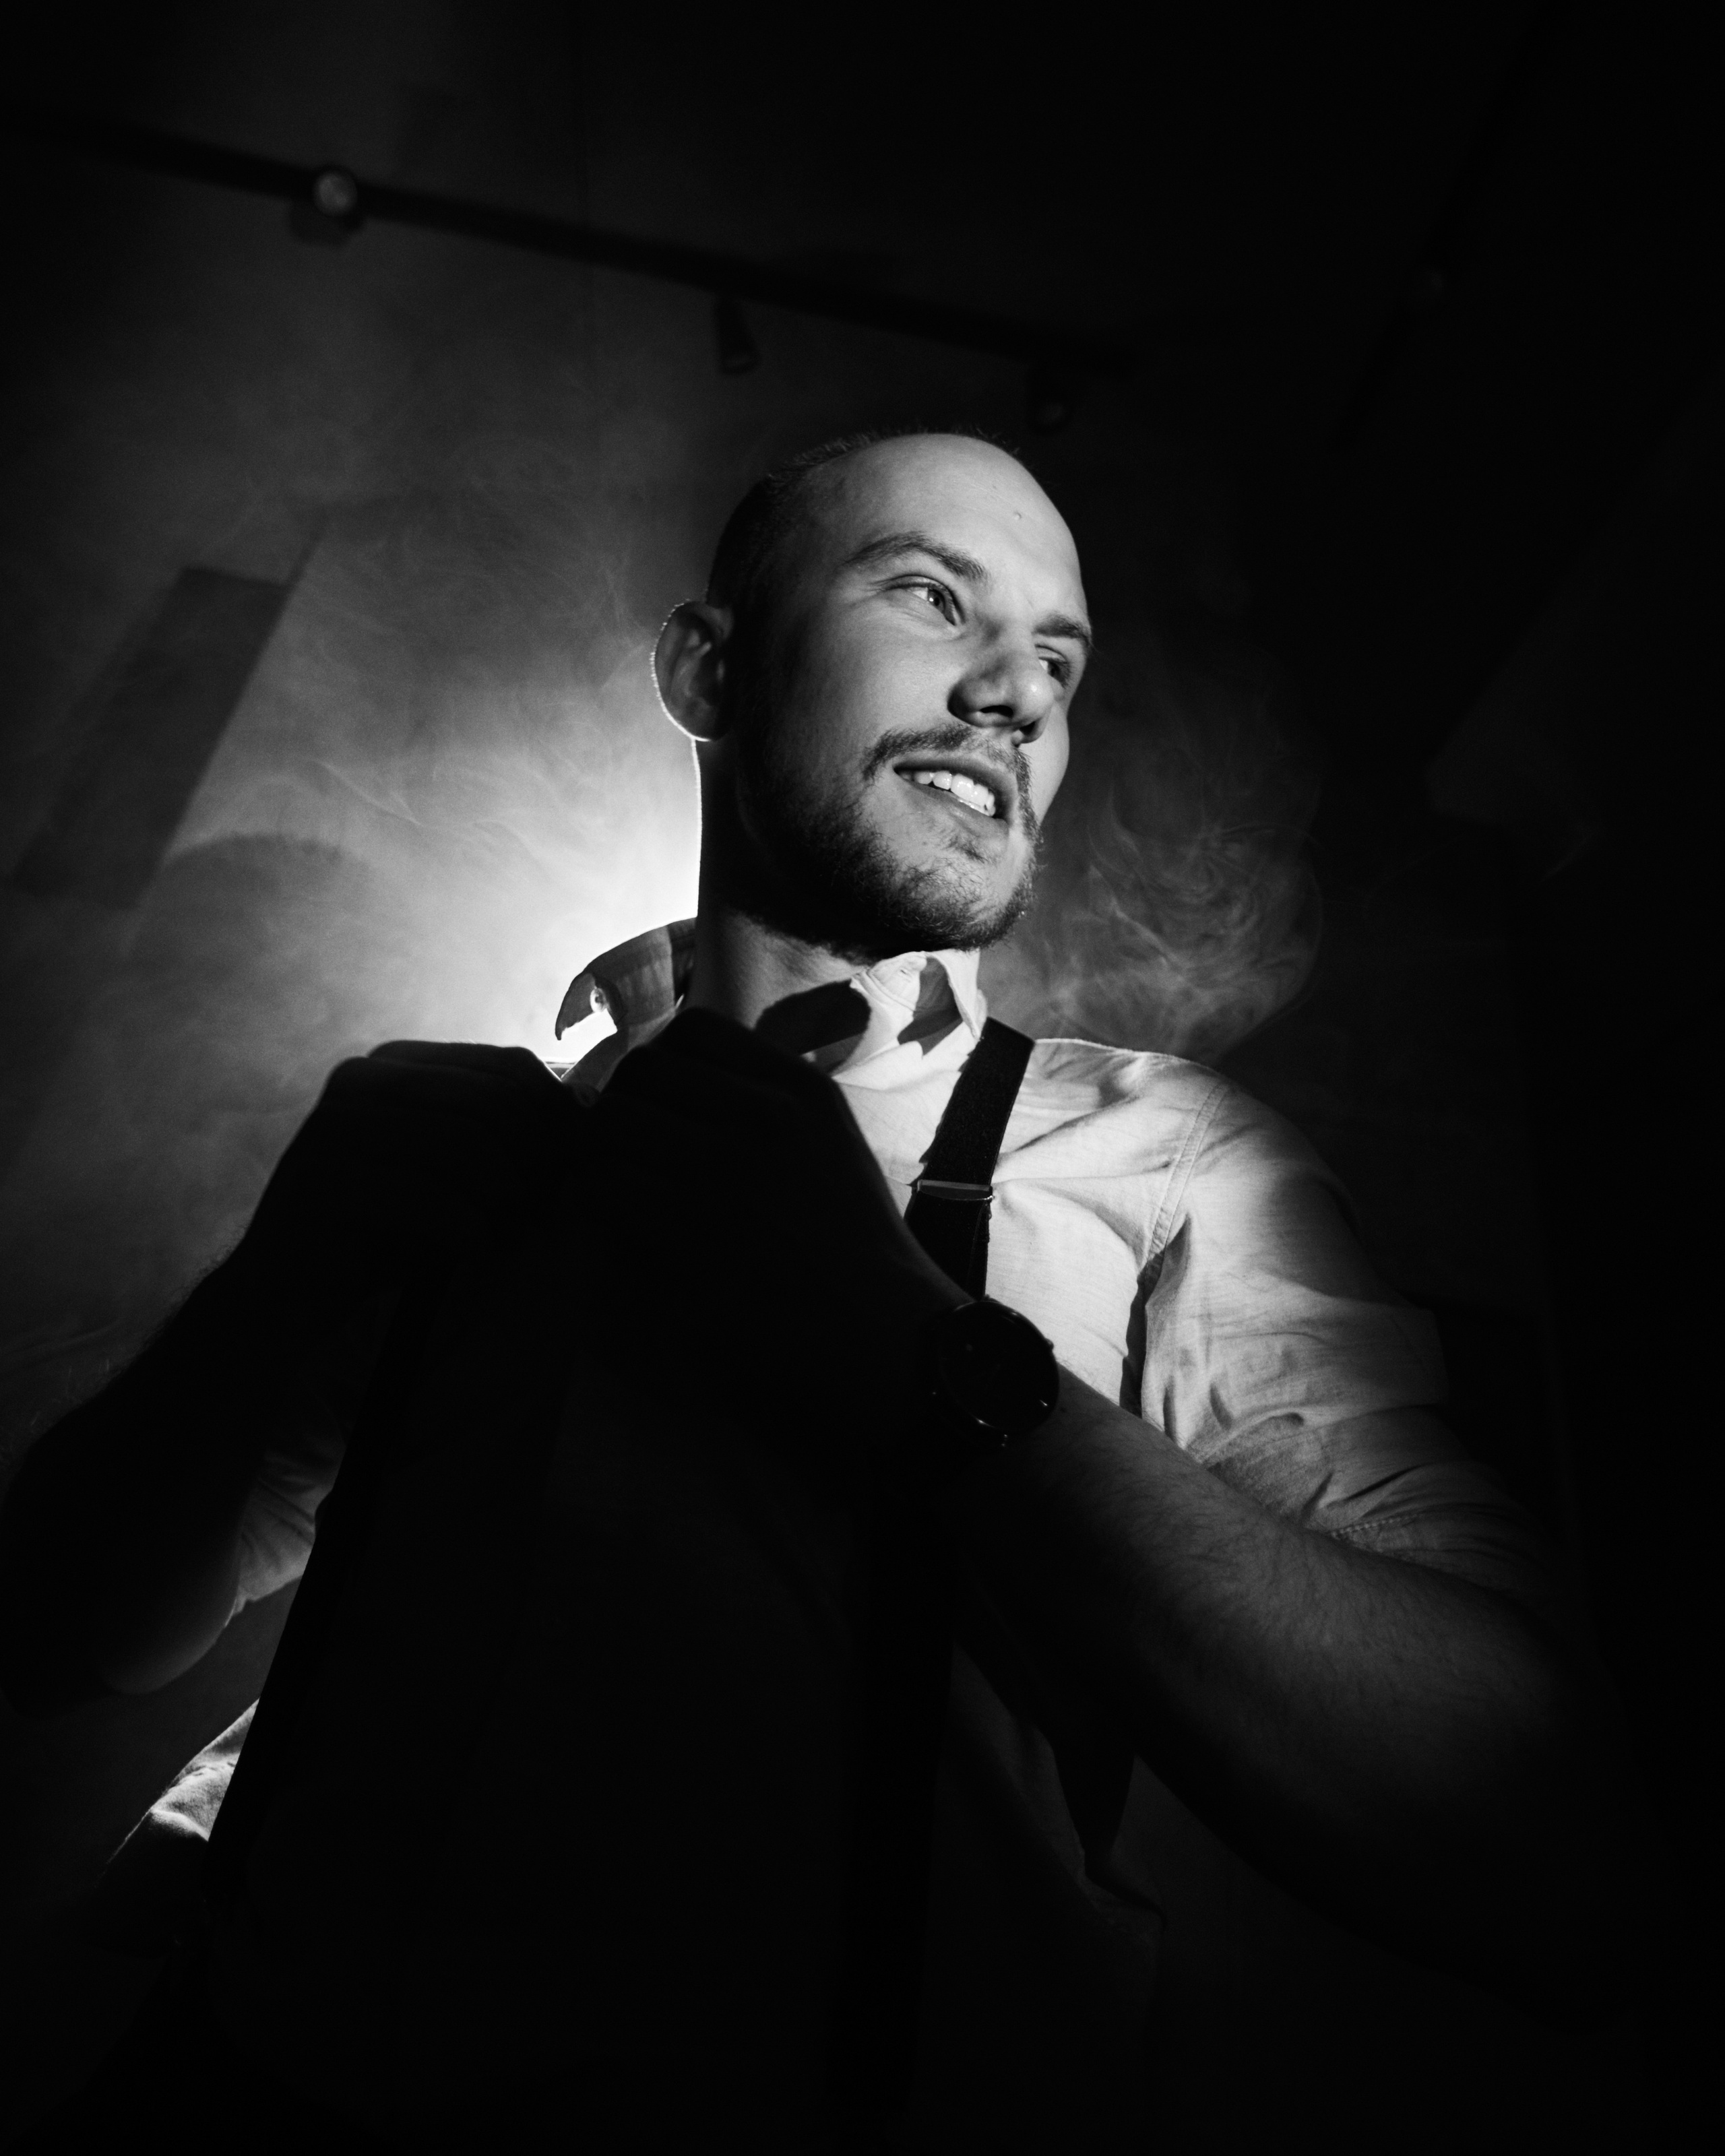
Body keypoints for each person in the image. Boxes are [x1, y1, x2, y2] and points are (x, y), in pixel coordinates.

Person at [0, 429, 1625, 2152]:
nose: (1016, 695)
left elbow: (1543, 1854)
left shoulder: (1158, 1162)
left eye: (1058, 663)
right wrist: (274, 1284)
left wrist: (904, 1333)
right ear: (707, 668)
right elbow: (53, 1629)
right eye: (936, 597)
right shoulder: (482, 1154)